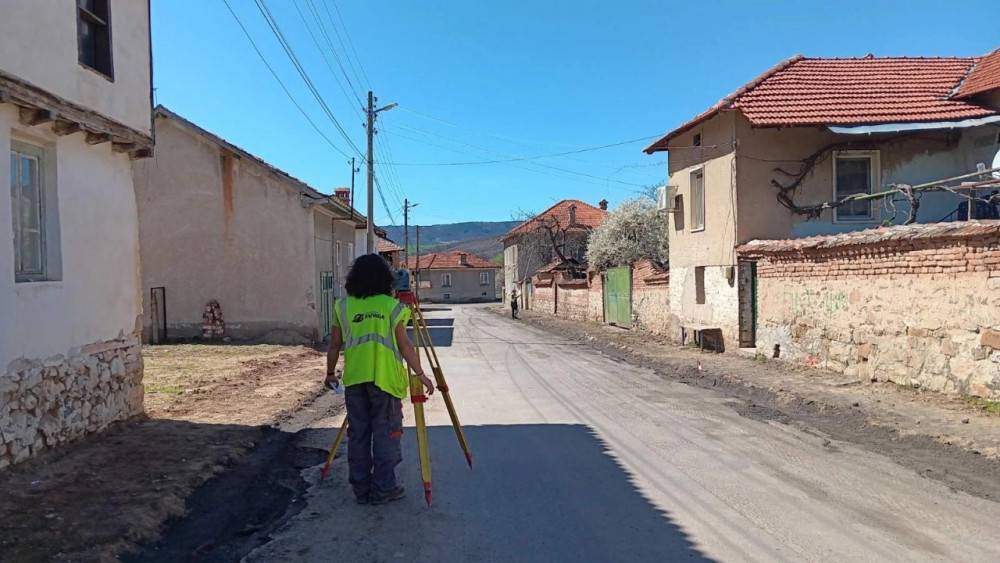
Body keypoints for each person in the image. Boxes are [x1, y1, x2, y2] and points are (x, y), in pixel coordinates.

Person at [326, 254, 434, 505]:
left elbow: (334, 345)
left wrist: (330, 373)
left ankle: (361, 489)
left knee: (359, 435)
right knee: (386, 435)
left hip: (355, 381)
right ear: (385, 279)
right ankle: (384, 488)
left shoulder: (343, 306)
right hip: (384, 382)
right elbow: (405, 345)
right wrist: (421, 374)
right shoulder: (392, 307)